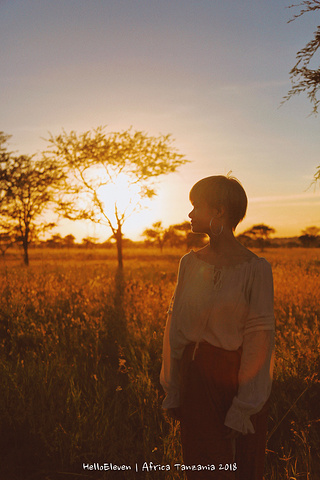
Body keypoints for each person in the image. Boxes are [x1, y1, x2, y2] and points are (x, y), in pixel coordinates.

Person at [160, 175, 275, 479]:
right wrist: (173, 389)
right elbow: (176, 328)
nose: (190, 214)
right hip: (194, 380)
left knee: (236, 467)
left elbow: (259, 337)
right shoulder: (190, 263)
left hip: (233, 383)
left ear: (220, 211)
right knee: (201, 467)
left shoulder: (256, 270)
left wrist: (244, 407)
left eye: (197, 206)